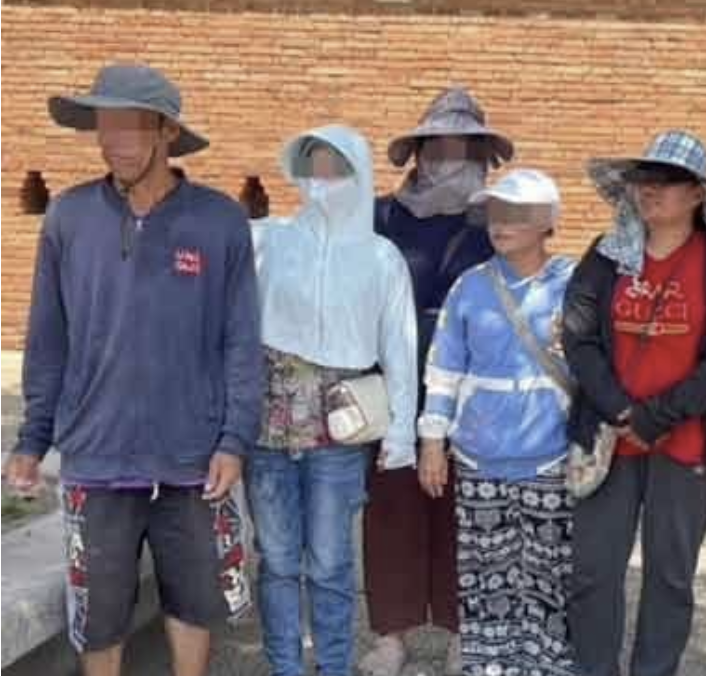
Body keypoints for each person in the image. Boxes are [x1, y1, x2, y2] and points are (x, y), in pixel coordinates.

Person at [3, 63, 262, 676]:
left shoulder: (219, 221)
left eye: (131, 126)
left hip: (192, 458)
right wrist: (33, 439)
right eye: (105, 126)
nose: (114, 141)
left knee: (194, 605)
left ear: (168, 131)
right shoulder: (69, 218)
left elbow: (241, 340)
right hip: (96, 455)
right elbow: (48, 337)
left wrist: (233, 440)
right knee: (99, 616)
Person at [564, 130, 706, 676]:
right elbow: (578, 333)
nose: (651, 189)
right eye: (644, 177)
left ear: (698, 194)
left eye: (668, 180)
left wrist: (656, 416)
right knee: (593, 571)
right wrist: (622, 410)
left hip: (684, 441)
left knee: (670, 576)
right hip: (609, 439)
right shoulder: (606, 253)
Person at [247, 125, 418, 676]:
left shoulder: (381, 257)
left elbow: (399, 345)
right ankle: (286, 666)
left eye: (335, 168)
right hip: (267, 426)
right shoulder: (268, 241)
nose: (322, 180)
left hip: (341, 429)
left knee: (329, 562)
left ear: (359, 173)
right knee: (277, 560)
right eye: (313, 167)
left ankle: (335, 665)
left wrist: (401, 432)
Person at [361, 86, 510, 676]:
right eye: (439, 147)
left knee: (463, 513)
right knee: (392, 511)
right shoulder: (381, 217)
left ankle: (460, 631)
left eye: (463, 147)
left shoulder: (496, 221)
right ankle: (391, 635)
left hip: (474, 388)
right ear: (419, 153)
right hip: (393, 383)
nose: (450, 159)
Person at [415, 169, 577, 676]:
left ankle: (548, 666)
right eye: (495, 213)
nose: (500, 224)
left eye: (516, 214)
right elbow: (444, 368)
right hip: (479, 457)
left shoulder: (574, 285)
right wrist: (432, 440)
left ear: (546, 222)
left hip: (551, 457)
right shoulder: (470, 286)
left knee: (549, 576)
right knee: (485, 575)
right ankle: (490, 667)